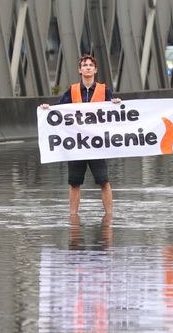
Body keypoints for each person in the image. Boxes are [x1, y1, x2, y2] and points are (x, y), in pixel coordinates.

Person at [41, 53, 123, 220]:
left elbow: (113, 114)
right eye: (84, 65)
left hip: (97, 145)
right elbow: (59, 110)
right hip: (77, 145)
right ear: (80, 70)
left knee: (103, 180)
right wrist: (47, 109)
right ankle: (73, 216)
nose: (87, 67)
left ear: (95, 69)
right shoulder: (72, 91)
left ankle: (109, 216)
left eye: (90, 65)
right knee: (74, 182)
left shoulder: (103, 90)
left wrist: (115, 104)